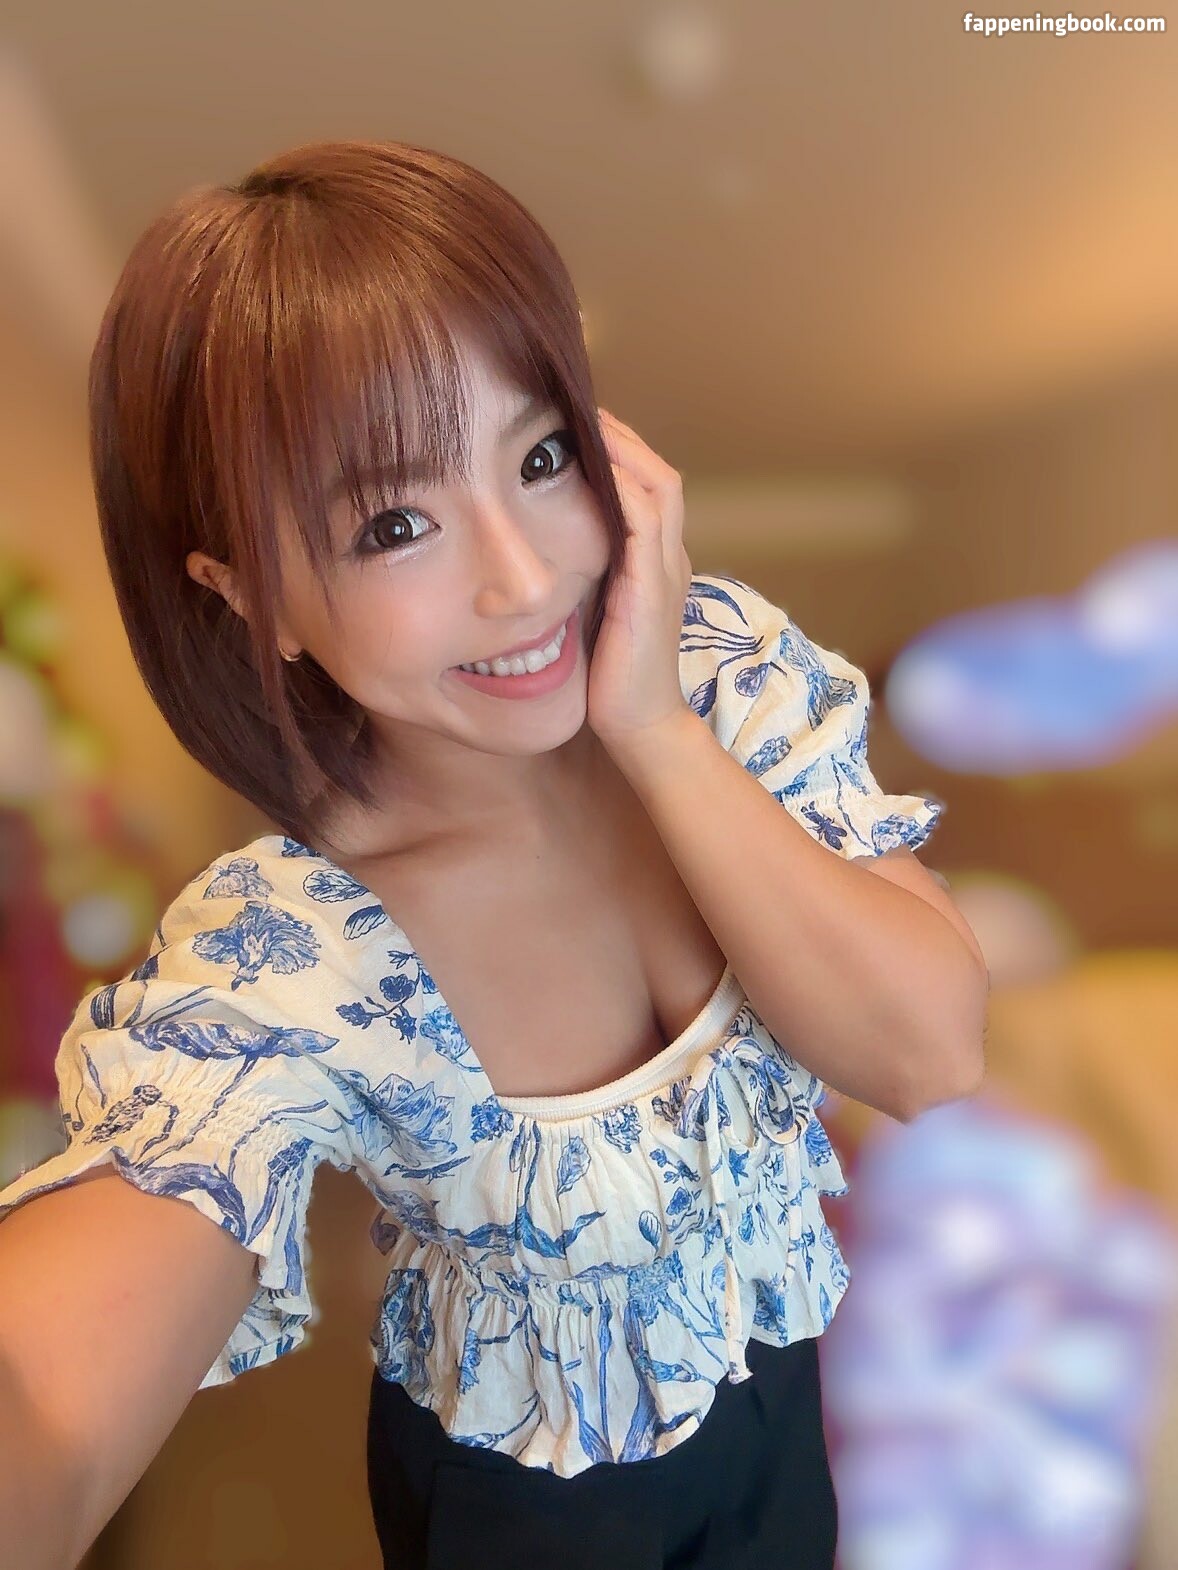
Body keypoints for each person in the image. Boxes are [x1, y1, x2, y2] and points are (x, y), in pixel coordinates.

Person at [0, 139, 989, 1570]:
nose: (523, 580)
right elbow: (54, 1408)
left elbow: (928, 1051)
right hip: (524, 1504)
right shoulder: (293, 950)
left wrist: (655, 731)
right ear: (251, 594)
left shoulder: (720, 679)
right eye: (394, 524)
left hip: (779, 1414)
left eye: (541, 457)